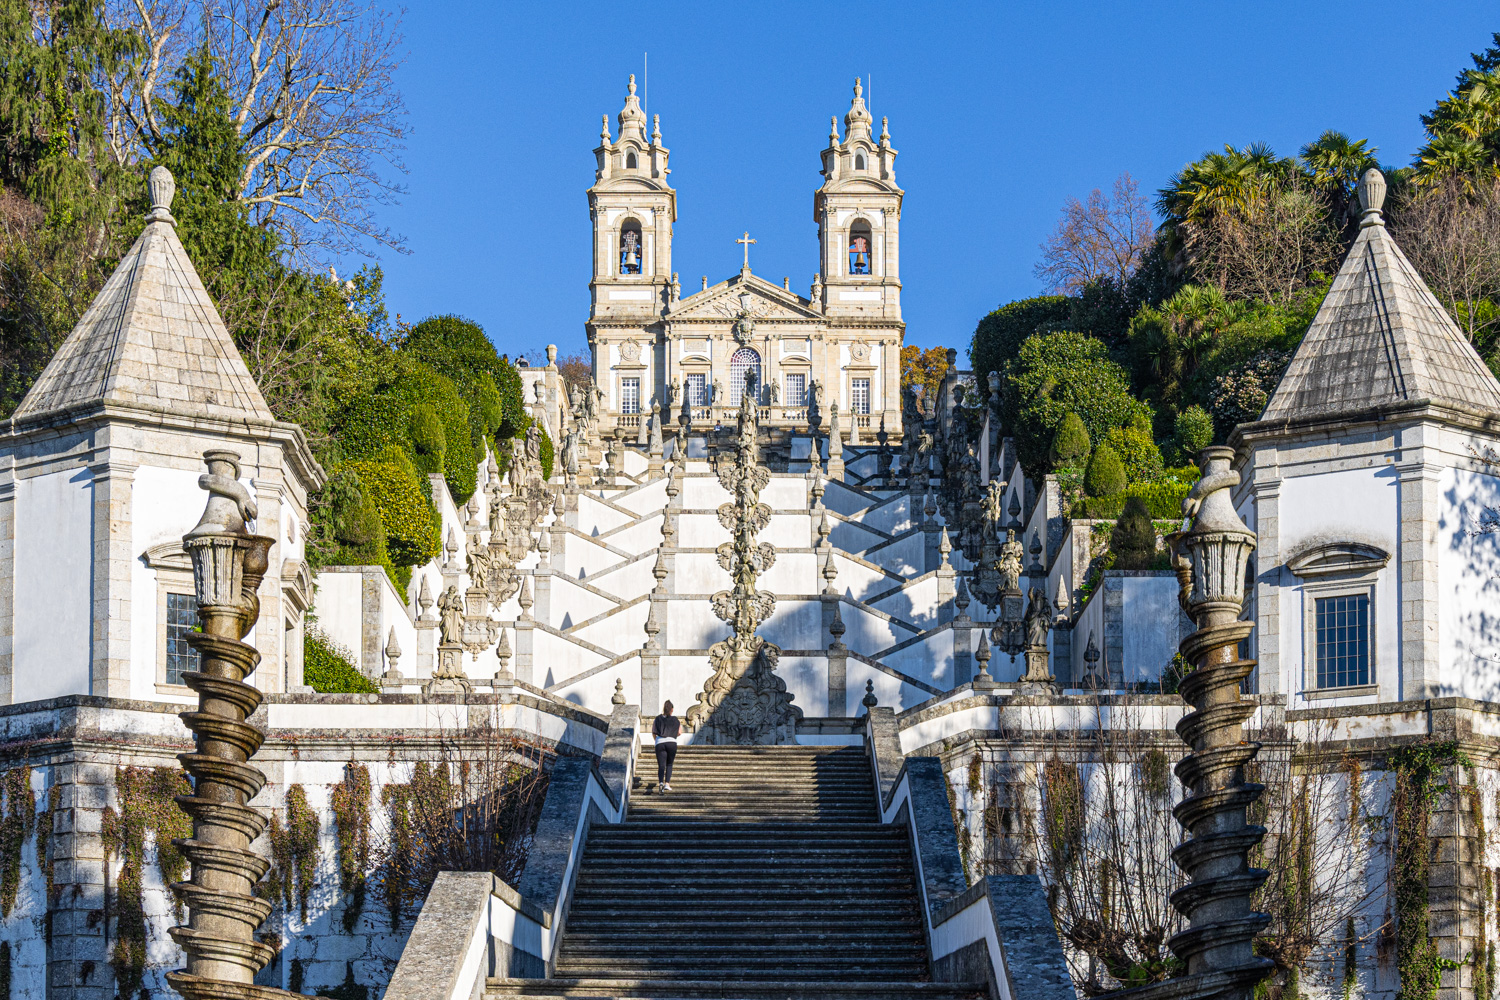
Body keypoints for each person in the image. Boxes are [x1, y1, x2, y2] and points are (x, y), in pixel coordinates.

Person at [652, 701, 681, 792]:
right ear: (672, 710)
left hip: (660, 742)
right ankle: (667, 784)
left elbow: (653, 732)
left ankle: (661, 782)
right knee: (669, 764)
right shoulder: (675, 720)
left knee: (661, 765)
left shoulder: (657, 719)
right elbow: (679, 732)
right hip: (671, 742)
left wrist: (657, 741)